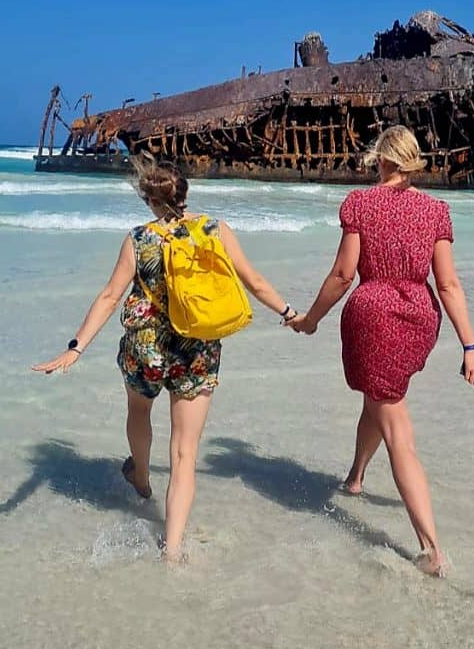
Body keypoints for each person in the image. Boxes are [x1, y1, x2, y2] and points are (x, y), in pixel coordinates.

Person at [32, 157, 297, 564]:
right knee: (184, 453)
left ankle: (140, 478)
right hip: (197, 349)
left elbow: (109, 297)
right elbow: (255, 282)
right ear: (185, 192)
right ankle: (171, 551)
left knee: (139, 412)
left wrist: (76, 347)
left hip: (146, 347)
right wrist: (291, 315)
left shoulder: (138, 240)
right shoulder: (215, 229)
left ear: (149, 200)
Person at [289, 125, 474, 577]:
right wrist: (470, 346)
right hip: (420, 316)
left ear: (383, 159)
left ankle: (431, 548)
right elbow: (449, 284)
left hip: (373, 312)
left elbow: (343, 275)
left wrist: (311, 319)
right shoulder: (436, 210)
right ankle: (356, 477)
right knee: (380, 398)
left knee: (396, 426)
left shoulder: (360, 203)